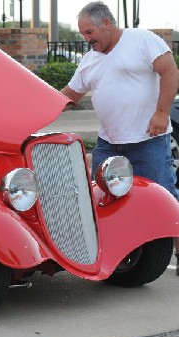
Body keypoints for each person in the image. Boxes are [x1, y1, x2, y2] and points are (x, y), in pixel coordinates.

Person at [60, 1, 179, 262]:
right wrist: (35, 107)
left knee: (164, 196)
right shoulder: (90, 60)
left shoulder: (141, 40)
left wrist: (161, 112)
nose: (86, 39)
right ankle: (115, 255)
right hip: (109, 143)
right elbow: (70, 95)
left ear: (106, 23)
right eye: (82, 34)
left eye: (89, 32)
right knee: (103, 199)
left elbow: (170, 71)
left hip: (148, 139)